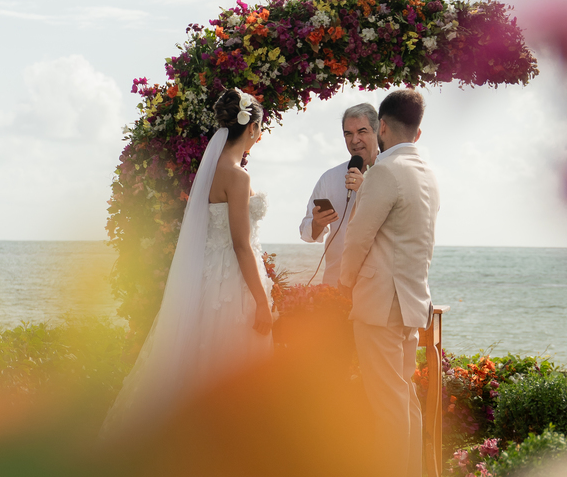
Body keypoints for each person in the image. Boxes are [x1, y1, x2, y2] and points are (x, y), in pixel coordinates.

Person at [105, 89, 274, 435]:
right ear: (252, 129)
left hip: (207, 278)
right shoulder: (237, 176)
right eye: (260, 129)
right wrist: (261, 300)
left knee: (197, 365)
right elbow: (241, 245)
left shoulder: (211, 172)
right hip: (232, 282)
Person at [339, 89, 440, 477]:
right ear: (418, 131)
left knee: (387, 399)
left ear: (381, 126)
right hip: (413, 301)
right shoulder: (427, 172)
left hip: (381, 303)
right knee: (404, 394)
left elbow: (358, 237)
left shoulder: (385, 171)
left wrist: (344, 284)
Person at [298, 103, 379, 284]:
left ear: (378, 131)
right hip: (335, 283)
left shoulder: (391, 174)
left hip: (377, 287)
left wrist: (366, 191)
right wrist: (318, 223)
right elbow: (305, 232)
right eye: (348, 134)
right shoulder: (330, 178)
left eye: (362, 131)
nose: (354, 140)